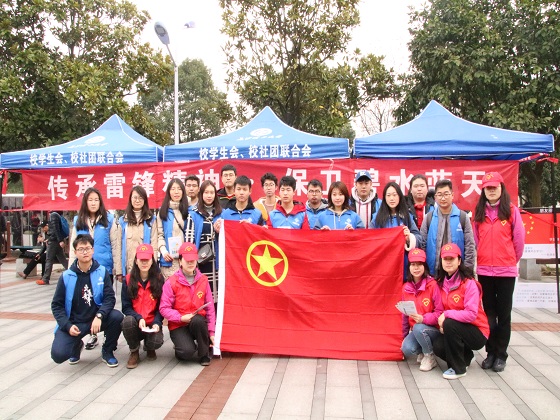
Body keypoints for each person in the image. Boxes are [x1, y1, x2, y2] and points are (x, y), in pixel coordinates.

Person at [473, 172, 525, 373]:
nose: (491, 191)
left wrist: (509, 261)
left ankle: (501, 355)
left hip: (506, 272)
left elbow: (518, 241)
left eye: (494, 187)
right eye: (488, 188)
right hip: (485, 271)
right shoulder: (479, 213)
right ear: (483, 191)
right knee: (489, 314)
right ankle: (490, 353)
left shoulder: (511, 211)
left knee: (503, 315)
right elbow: (476, 240)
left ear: (501, 188)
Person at [50, 234, 123, 367]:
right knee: (58, 355)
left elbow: (109, 298)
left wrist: (100, 315)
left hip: (96, 319)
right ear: (75, 252)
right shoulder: (66, 276)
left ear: (93, 250)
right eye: (81, 249)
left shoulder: (101, 272)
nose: (85, 252)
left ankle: (108, 350)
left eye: (88, 248)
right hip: (74, 322)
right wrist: (67, 325)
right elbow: (56, 305)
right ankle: (76, 345)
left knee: (117, 317)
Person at [69, 187, 121, 349]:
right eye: (90, 200)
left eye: (96, 200)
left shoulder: (109, 219)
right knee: (87, 302)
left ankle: (108, 334)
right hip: (83, 270)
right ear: (85, 202)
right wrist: (71, 270)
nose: (93, 203)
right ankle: (92, 334)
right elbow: (72, 247)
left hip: (104, 269)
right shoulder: (78, 220)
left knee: (106, 301)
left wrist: (118, 269)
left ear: (100, 202)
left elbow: (115, 245)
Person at [432, 243, 489, 380]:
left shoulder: (469, 283)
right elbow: (439, 309)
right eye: (445, 259)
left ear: (459, 261)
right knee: (438, 346)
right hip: (455, 328)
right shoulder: (440, 283)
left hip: (476, 331)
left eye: (452, 259)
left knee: (450, 323)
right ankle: (467, 356)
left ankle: (458, 369)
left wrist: (446, 315)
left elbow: (471, 314)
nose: (448, 262)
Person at [159, 242, 216, 366]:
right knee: (186, 352)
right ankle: (182, 348)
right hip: (178, 324)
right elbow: (164, 308)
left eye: (193, 260)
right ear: (180, 261)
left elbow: (210, 308)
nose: (190, 263)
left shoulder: (203, 280)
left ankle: (204, 353)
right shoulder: (171, 282)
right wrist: (180, 317)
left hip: (197, 322)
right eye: (187, 260)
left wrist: (212, 332)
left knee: (199, 320)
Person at [121, 244, 164, 369]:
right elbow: (126, 307)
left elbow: (162, 306)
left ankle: (150, 346)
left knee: (156, 341)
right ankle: (134, 351)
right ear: (136, 261)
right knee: (127, 321)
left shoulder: (159, 279)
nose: (144, 263)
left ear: (152, 261)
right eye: (141, 260)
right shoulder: (128, 280)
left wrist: (157, 322)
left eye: (147, 259)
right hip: (136, 323)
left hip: (152, 324)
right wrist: (138, 318)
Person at [420, 179, 476, 275]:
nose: (443, 198)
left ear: (452, 195)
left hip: (457, 272)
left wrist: (467, 271)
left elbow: (469, 246)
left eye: (446, 194)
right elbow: (422, 245)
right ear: (435, 197)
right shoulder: (429, 217)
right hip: (434, 272)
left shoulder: (462, 217)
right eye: (439, 195)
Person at [400, 248, 443, 372]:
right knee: (407, 348)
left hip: (433, 329)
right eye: (413, 264)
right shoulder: (405, 288)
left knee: (419, 327)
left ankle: (429, 356)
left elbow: (440, 312)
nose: (416, 268)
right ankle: (423, 350)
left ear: (425, 266)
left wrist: (424, 319)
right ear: (409, 267)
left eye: (419, 264)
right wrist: (403, 337)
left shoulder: (433, 285)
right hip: (416, 330)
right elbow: (404, 316)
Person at [370, 182, 421, 278]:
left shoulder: (407, 216)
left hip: (403, 264)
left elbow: (419, 238)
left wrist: (409, 238)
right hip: (383, 264)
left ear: (400, 197)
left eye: (394, 195)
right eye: (388, 195)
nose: (392, 198)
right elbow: (369, 239)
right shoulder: (377, 218)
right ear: (384, 198)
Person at [187, 180, 223, 299]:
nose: (209, 195)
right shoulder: (193, 213)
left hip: (217, 259)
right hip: (201, 260)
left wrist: (219, 231)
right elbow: (189, 240)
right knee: (202, 293)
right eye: (206, 192)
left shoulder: (221, 213)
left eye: (212, 192)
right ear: (201, 194)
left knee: (218, 293)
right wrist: (191, 260)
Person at [119, 186, 158, 277]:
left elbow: (154, 245)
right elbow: (118, 247)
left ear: (145, 200)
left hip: (146, 268)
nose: (137, 201)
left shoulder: (151, 220)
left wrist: (154, 267)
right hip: (129, 268)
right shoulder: (123, 221)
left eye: (140, 198)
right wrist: (119, 271)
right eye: (135, 197)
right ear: (130, 199)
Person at [157, 178, 190, 279]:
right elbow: (159, 234)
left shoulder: (189, 211)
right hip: (168, 260)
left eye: (179, 189)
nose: (176, 192)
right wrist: (163, 251)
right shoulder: (163, 212)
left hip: (186, 258)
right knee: (169, 287)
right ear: (168, 192)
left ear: (183, 191)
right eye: (173, 189)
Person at [36, 210, 69, 286]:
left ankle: (45, 279)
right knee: (62, 259)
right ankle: (73, 272)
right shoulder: (56, 215)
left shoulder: (53, 216)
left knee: (49, 259)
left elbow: (55, 229)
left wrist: (56, 240)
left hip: (54, 241)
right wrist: (59, 240)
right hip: (56, 240)